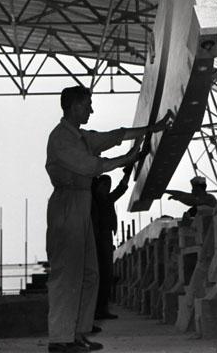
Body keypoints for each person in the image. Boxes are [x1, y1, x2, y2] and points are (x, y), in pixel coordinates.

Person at [45, 85, 172, 353]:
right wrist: (127, 158)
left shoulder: (80, 136)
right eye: (87, 105)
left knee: (90, 273)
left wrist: (151, 129)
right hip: (67, 204)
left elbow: (115, 135)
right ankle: (60, 339)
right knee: (68, 274)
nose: (91, 110)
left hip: (82, 204)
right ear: (74, 107)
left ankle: (77, 333)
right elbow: (92, 166)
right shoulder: (61, 139)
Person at [91, 166, 132, 320]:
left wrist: (127, 174)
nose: (107, 188)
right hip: (97, 238)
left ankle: (101, 309)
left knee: (106, 274)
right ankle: (97, 310)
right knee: (100, 274)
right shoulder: (93, 199)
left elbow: (121, 189)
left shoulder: (106, 199)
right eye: (105, 185)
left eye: (108, 186)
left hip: (106, 238)